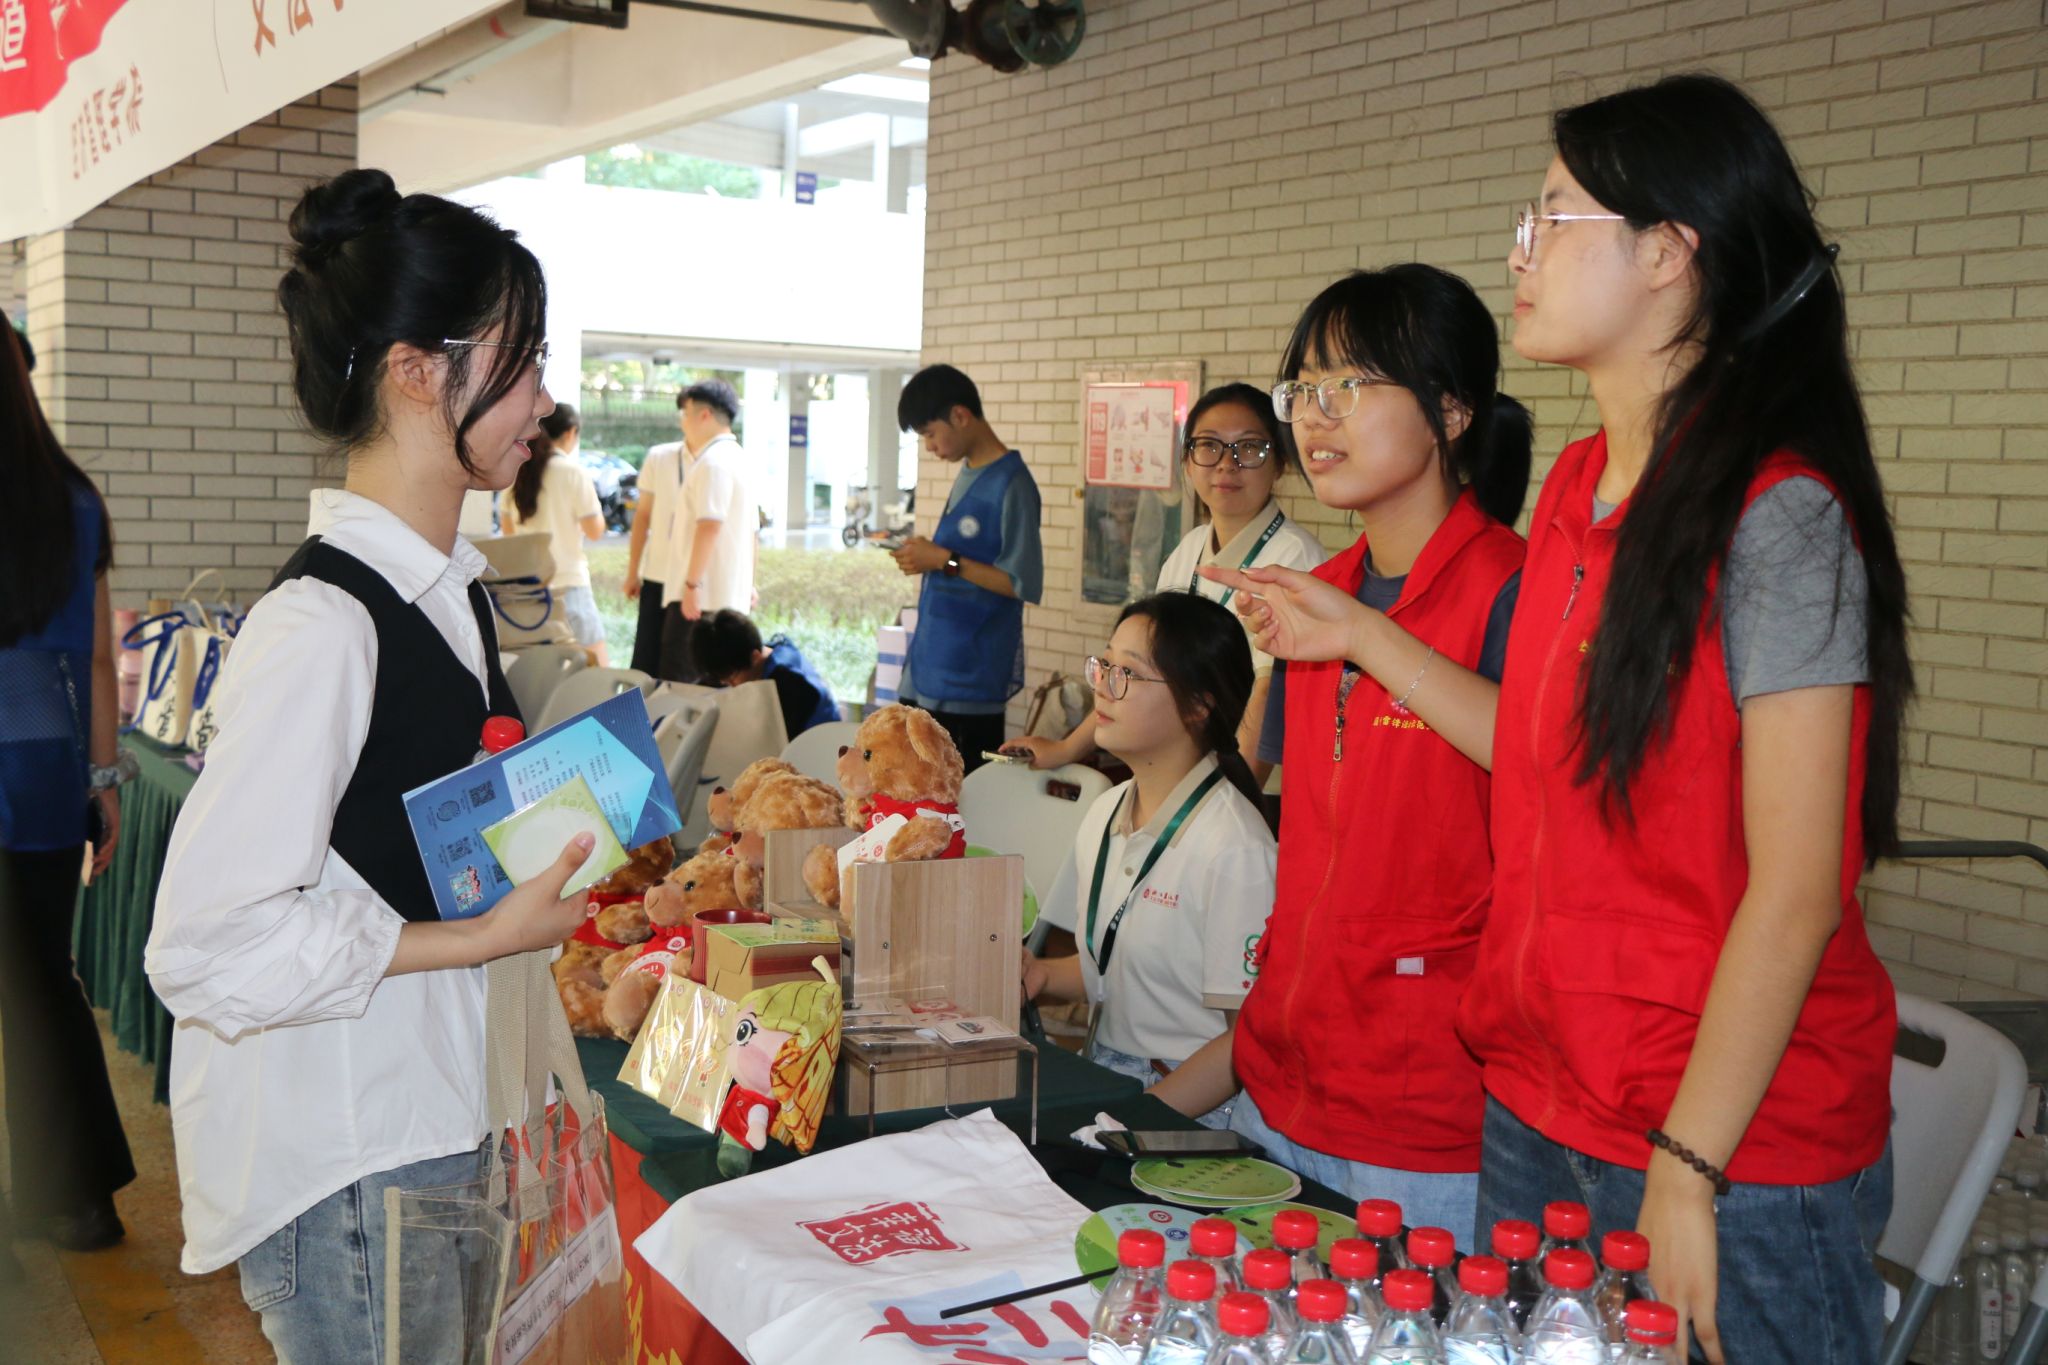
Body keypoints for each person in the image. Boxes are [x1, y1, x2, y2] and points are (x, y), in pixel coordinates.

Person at [146, 169, 598, 1362]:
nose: (542, 399)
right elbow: (205, 947)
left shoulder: (444, 593)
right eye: (521, 359)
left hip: (429, 1123)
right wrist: (477, 937)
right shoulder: (322, 627)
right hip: (351, 1163)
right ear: (416, 371)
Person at [1200, 265, 1530, 1244]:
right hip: (1283, 1077)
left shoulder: (1512, 588)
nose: (1313, 415)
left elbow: (1546, 766)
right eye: (1302, 387)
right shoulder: (1324, 589)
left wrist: (1364, 638)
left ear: (1451, 410)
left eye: (1348, 384)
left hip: (1424, 1112)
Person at [1020, 593, 1274, 1128]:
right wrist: (1040, 974)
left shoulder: (1236, 847)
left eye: (1128, 673)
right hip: (1111, 1080)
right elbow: (1111, 971)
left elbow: (1247, 1041)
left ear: (1198, 705)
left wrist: (1133, 1120)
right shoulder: (1107, 810)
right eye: (1105, 664)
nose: (1102, 686)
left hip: (1194, 1108)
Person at [0, 323, 136, 1265]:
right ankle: (81, 1201)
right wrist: (103, 779)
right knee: (45, 980)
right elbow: (96, 657)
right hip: (46, 769)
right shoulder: (72, 497)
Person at [1004, 382, 1325, 771]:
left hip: (1254, 782)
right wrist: (1068, 748)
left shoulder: (1297, 558)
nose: (1227, 463)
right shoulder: (1188, 549)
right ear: (1187, 462)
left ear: (1280, 463)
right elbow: (1140, 667)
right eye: (1208, 445)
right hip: (1185, 770)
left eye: (1249, 448)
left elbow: (1270, 692)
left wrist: (1231, 794)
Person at [890, 363, 1043, 771]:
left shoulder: (1013, 484)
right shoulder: (969, 472)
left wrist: (944, 560)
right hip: (930, 668)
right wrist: (927, 555)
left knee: (961, 797)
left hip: (970, 681)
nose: (929, 446)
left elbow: (1022, 583)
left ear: (960, 416)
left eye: (930, 434)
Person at [497, 401, 607, 665]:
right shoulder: (572, 472)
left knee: (546, 670)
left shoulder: (517, 473)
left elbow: (510, 535)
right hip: (569, 584)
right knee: (596, 666)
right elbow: (595, 531)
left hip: (530, 591)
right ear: (570, 433)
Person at [661, 378, 755, 682]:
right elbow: (752, 532)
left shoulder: (713, 462)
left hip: (701, 601)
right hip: (725, 599)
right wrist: (750, 583)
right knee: (716, 687)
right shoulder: (738, 457)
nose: (683, 422)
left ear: (705, 415)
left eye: (685, 414)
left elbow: (710, 525)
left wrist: (692, 585)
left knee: (681, 686)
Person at [690, 607, 842, 738]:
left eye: (731, 678)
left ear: (755, 657)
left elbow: (778, 746)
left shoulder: (791, 683)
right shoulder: (748, 655)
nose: (729, 685)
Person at [624, 395, 688, 676]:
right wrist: (632, 572)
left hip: (694, 582)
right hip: (657, 575)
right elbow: (642, 516)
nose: (685, 418)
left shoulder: (720, 459)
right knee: (646, 662)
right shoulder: (660, 456)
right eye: (683, 412)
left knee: (684, 667)